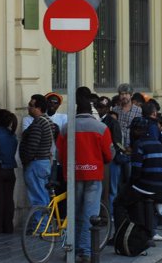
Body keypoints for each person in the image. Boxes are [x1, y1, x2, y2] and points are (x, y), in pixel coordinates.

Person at [56, 94, 113, 262]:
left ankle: (71, 249)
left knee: (73, 213)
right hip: (93, 175)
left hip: (73, 175)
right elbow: (109, 155)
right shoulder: (101, 128)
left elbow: (59, 154)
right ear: (91, 111)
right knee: (90, 214)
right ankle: (86, 251)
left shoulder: (66, 128)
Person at [113, 116, 162, 243]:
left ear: (137, 130)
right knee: (133, 195)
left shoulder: (139, 144)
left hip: (146, 186)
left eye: (132, 130)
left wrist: (129, 185)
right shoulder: (157, 142)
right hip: (160, 186)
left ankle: (120, 235)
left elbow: (136, 173)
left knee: (118, 202)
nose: (131, 133)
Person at [20, 94, 56, 222]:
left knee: (37, 197)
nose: (28, 108)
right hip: (44, 162)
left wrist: (25, 160)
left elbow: (32, 146)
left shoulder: (38, 124)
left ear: (38, 108)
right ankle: (45, 225)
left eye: (31, 105)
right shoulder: (48, 121)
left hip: (36, 163)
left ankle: (40, 226)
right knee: (43, 196)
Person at [97, 96, 124, 217]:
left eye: (104, 107)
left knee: (111, 188)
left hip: (110, 160)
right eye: (99, 107)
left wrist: (110, 155)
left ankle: (111, 213)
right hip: (99, 159)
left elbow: (117, 142)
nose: (101, 109)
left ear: (108, 108)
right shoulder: (97, 120)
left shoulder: (112, 122)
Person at [112, 83, 142, 150]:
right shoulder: (115, 110)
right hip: (118, 146)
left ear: (131, 95)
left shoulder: (138, 110)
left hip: (133, 147)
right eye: (122, 94)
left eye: (126, 94)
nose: (124, 96)